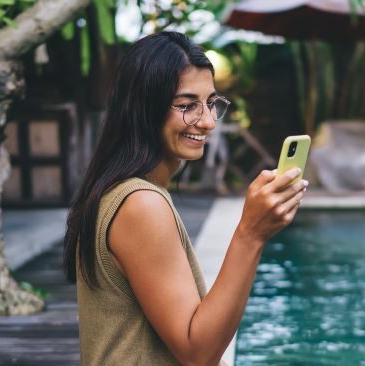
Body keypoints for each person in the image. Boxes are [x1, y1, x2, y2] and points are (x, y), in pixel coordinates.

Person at [63, 31, 308, 366]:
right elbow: (198, 352)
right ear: (144, 107)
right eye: (187, 105)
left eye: (210, 104)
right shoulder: (140, 204)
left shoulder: (123, 191)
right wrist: (251, 234)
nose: (206, 121)